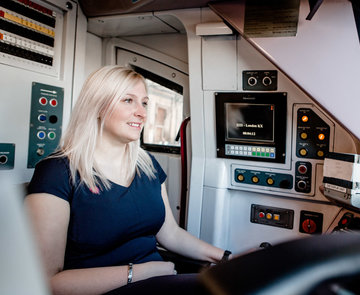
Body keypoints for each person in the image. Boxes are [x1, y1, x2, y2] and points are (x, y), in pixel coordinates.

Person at [25, 65, 229, 295]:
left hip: (158, 278)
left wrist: (226, 258)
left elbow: (170, 233)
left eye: (144, 103)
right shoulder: (57, 171)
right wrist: (142, 272)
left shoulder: (147, 165)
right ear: (98, 106)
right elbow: (48, 281)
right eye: (128, 100)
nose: (142, 113)